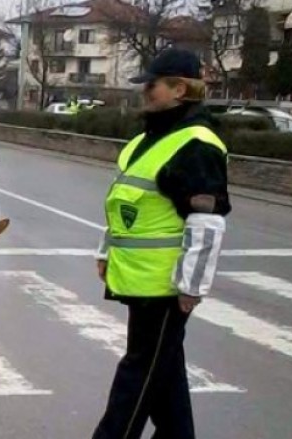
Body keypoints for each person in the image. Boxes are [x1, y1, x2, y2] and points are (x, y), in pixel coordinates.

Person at [92, 48, 231, 439]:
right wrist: (107, 250)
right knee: (163, 371)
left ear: (179, 89)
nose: (144, 92)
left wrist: (191, 285)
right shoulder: (146, 141)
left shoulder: (196, 144)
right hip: (140, 278)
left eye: (151, 85)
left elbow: (206, 222)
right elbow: (123, 203)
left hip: (167, 285)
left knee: (138, 373)